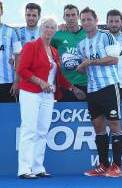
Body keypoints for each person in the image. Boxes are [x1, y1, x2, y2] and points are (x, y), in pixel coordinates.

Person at [16, 17, 84, 179]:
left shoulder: (54, 51)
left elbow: (58, 75)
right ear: (41, 28)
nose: (49, 30)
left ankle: (38, 167)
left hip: (48, 95)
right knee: (29, 129)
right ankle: (24, 169)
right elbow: (22, 70)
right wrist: (40, 82)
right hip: (31, 93)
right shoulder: (31, 46)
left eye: (52, 27)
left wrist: (73, 88)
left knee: (42, 131)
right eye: (46, 26)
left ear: (55, 31)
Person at [77, 7, 122, 178]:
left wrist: (91, 62)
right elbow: (83, 70)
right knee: (98, 129)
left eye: (89, 19)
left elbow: (114, 59)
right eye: (83, 20)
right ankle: (103, 165)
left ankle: (117, 166)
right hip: (92, 90)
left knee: (114, 126)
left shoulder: (106, 36)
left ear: (96, 21)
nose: (86, 22)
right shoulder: (81, 44)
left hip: (109, 87)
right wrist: (81, 67)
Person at [51, 5, 88, 102]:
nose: (70, 18)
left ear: (78, 16)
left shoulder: (88, 33)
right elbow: (48, 54)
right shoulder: (57, 35)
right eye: (67, 15)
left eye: (73, 15)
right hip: (66, 85)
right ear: (64, 17)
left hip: (87, 83)